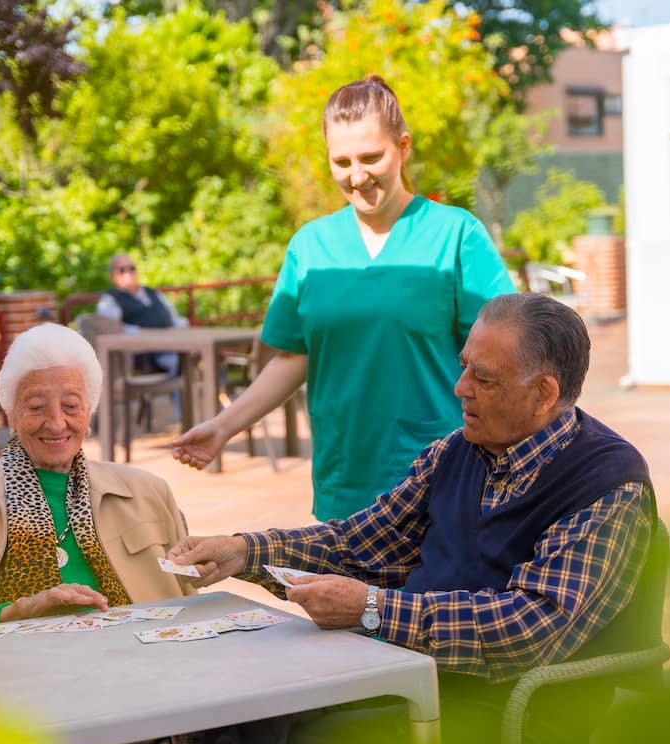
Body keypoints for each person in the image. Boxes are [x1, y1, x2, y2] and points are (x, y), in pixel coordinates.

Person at [169, 293, 658, 744]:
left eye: (483, 379)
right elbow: (358, 544)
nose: (460, 388)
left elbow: (530, 628)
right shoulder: (455, 452)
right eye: (464, 366)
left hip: (518, 718)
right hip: (411, 677)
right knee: (242, 713)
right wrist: (246, 551)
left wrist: (372, 610)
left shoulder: (606, 484)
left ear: (543, 392)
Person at [172, 75, 515, 521]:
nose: (357, 176)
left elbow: (506, 355)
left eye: (372, 157)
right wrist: (223, 427)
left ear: (404, 147)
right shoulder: (310, 247)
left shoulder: (456, 235)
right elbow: (294, 358)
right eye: (342, 161)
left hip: (443, 474)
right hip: (344, 477)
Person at [0, 322, 195, 634]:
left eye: (71, 406)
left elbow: (188, 616)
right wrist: (21, 610)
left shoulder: (149, 492)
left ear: (89, 410)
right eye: (36, 407)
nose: (56, 424)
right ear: (10, 413)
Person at [96, 251, 184, 376]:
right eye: (122, 270)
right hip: (145, 354)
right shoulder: (110, 299)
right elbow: (112, 331)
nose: (129, 273)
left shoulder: (152, 292)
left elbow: (174, 317)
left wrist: (181, 327)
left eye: (132, 268)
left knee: (204, 357)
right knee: (182, 364)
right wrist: (145, 333)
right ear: (113, 275)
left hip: (175, 344)